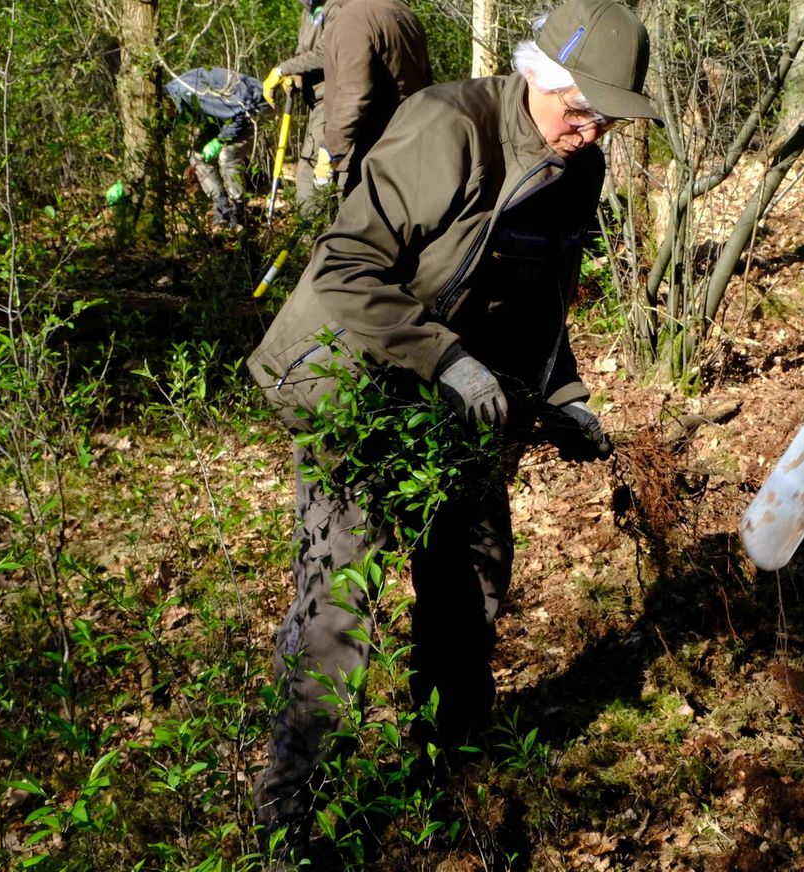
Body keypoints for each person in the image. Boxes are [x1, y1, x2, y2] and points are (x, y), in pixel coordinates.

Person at [244, 0, 659, 858]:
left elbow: (540, 299)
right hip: (349, 378)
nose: (588, 131)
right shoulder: (446, 128)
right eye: (578, 108)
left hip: (450, 391)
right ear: (538, 75)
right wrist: (446, 357)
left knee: (470, 580)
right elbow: (345, 267)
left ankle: (450, 786)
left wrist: (563, 393)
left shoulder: (576, 167)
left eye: (605, 117)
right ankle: (292, 819)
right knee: (337, 610)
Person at [263, 0, 432, 203]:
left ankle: (314, 233)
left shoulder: (352, 18)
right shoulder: (403, 10)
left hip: (369, 141)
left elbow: (355, 94)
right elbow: (425, 80)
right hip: (408, 138)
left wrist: (331, 151)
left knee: (352, 213)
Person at [164, 67, 273, 229]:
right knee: (197, 156)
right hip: (226, 115)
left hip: (254, 106)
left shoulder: (193, 92)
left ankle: (238, 210)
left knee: (227, 156)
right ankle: (221, 208)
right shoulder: (177, 97)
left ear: (166, 102)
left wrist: (220, 141)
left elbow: (240, 114)